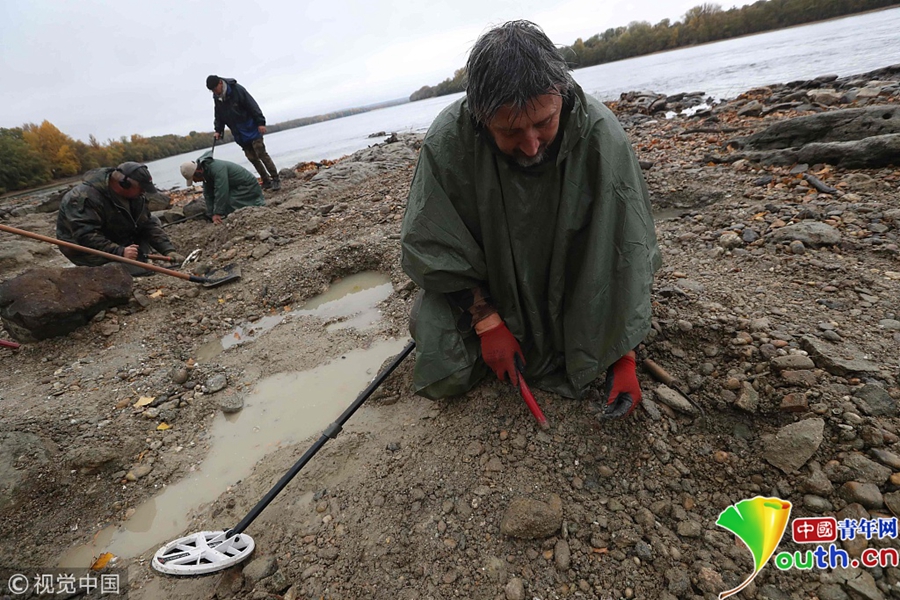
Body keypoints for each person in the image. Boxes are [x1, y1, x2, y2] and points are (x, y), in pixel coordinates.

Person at [400, 21, 661, 419]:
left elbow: (625, 248)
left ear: (561, 94)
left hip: (577, 282)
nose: (531, 144)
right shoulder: (448, 139)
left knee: (596, 345)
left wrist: (622, 355)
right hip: (493, 285)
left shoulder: (601, 134)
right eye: (510, 131)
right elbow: (434, 244)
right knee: (439, 354)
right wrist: (486, 322)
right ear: (480, 116)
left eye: (543, 123)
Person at [56, 162, 184, 275]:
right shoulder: (83, 197)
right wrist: (119, 251)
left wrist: (168, 250)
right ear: (124, 184)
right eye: (141, 188)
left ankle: (137, 259)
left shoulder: (137, 196)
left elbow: (147, 224)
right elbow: (85, 236)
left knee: (154, 220)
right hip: (86, 250)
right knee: (139, 271)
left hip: (115, 237)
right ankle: (116, 264)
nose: (143, 192)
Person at [206, 75, 281, 191]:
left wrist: (260, 122)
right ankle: (266, 180)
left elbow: (252, 105)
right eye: (212, 90)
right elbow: (219, 115)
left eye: (215, 88)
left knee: (261, 153)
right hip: (238, 132)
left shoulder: (237, 90)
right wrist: (218, 130)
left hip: (252, 127)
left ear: (220, 83)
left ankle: (276, 179)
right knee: (252, 157)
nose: (214, 92)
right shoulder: (217, 98)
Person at [180, 150, 265, 225]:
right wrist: (211, 214)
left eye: (194, 179)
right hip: (235, 187)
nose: (195, 182)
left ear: (198, 172)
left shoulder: (216, 168)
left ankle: (256, 204)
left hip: (248, 186)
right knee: (221, 203)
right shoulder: (206, 172)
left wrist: (218, 213)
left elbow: (221, 191)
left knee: (228, 202)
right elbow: (208, 194)